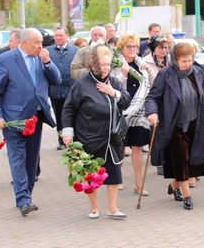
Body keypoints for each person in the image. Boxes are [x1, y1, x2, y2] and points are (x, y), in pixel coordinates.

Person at [0, 28, 61, 216]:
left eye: (41, 42)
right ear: (24, 42)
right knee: (17, 159)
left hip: (36, 118)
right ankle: (23, 199)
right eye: (36, 42)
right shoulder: (6, 60)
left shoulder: (42, 58)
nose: (40, 46)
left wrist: (48, 62)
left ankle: (26, 195)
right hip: (13, 120)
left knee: (31, 161)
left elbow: (57, 79)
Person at [145, 42, 204, 210]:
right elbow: (152, 97)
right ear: (175, 60)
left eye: (190, 60)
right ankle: (187, 196)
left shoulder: (198, 73)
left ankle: (174, 185)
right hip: (174, 125)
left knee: (193, 163)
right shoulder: (165, 75)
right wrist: (152, 113)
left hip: (195, 124)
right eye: (184, 61)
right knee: (181, 160)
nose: (188, 64)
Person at [62, 44, 131, 219]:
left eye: (108, 64)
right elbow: (69, 108)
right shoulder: (82, 84)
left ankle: (113, 208)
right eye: (102, 64)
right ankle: (94, 208)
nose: (106, 68)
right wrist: (68, 132)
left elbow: (126, 102)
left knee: (114, 173)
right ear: (93, 64)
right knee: (91, 174)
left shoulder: (113, 82)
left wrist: (114, 93)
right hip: (89, 137)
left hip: (111, 138)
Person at [115, 33, 152, 196]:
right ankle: (117, 180)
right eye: (129, 46)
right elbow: (115, 86)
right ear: (121, 48)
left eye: (135, 46)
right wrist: (123, 73)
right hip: (121, 110)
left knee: (137, 147)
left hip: (138, 113)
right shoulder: (116, 64)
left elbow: (150, 84)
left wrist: (148, 71)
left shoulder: (141, 64)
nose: (132, 49)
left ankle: (138, 184)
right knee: (119, 146)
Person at [47, 26, 79, 150]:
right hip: (55, 90)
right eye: (56, 36)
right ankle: (61, 140)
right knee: (59, 116)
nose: (58, 38)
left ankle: (74, 139)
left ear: (67, 36)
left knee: (71, 115)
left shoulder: (75, 50)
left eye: (61, 35)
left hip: (72, 90)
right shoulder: (48, 50)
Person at [142, 35, 170, 176]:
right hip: (154, 100)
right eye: (160, 47)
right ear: (154, 48)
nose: (164, 50)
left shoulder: (170, 61)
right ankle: (158, 161)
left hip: (169, 101)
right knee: (155, 132)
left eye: (166, 47)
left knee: (166, 133)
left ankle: (166, 160)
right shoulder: (146, 62)